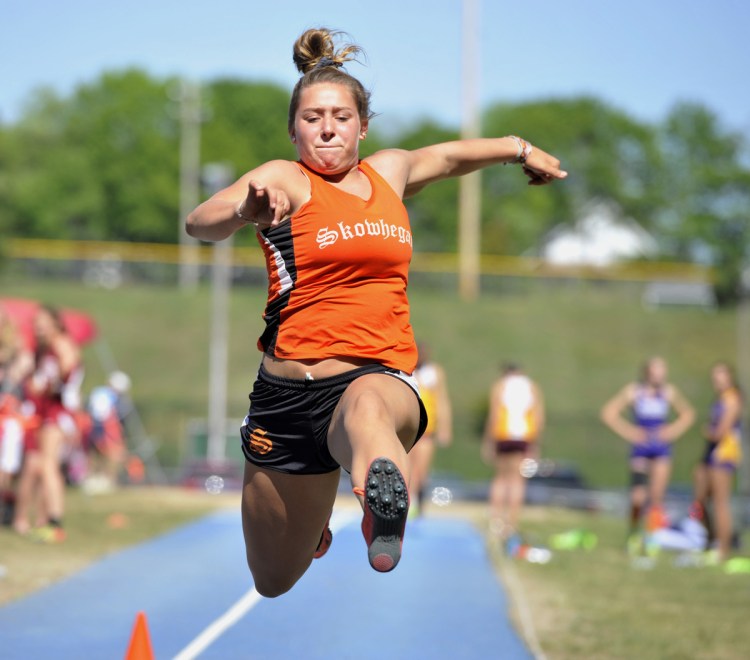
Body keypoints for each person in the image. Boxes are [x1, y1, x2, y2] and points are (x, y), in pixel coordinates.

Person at [186, 27, 566, 597]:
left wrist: (519, 149)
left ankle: (380, 504)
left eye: (341, 116)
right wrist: (245, 206)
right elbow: (200, 221)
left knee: (365, 409)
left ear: (363, 126)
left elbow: (449, 156)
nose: (327, 127)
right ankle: (312, 531)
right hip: (285, 397)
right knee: (271, 579)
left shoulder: (388, 172)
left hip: (375, 377)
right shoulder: (285, 178)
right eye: (312, 118)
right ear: (294, 130)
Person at [600, 356, 695, 539]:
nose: (660, 374)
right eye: (657, 369)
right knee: (638, 497)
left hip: (661, 449)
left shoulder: (668, 392)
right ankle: (634, 533)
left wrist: (672, 431)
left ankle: (653, 538)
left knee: (656, 497)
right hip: (641, 449)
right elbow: (608, 413)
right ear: (647, 372)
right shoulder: (634, 391)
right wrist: (630, 432)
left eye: (663, 369)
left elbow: (688, 414)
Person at [13, 305, 84, 542]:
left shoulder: (61, 343)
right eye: (36, 322)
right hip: (49, 410)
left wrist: (49, 386)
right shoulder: (44, 349)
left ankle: (54, 521)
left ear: (55, 322)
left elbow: (68, 368)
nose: (38, 327)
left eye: (43, 322)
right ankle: (47, 520)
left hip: (58, 410)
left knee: (48, 465)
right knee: (45, 466)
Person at [482, 363, 545, 543]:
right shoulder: (531, 386)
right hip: (524, 436)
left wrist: (489, 440)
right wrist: (536, 442)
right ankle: (512, 523)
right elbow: (538, 416)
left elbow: (494, 414)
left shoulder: (500, 386)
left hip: (503, 434)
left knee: (501, 478)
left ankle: (496, 521)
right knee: (517, 480)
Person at [690, 361, 743, 562]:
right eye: (715, 375)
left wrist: (709, 432)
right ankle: (708, 539)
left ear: (729, 377)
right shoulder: (719, 399)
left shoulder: (732, 399)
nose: (717, 379)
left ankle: (723, 549)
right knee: (699, 502)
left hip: (724, 455)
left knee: (720, 502)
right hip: (709, 454)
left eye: (721, 375)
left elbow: (721, 431)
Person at [409, 341, 452, 516]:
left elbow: (442, 401)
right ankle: (407, 500)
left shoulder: (434, 373)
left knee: (421, 470)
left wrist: (445, 427)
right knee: (407, 466)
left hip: (427, 429)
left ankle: (417, 502)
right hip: (409, 428)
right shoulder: (406, 370)